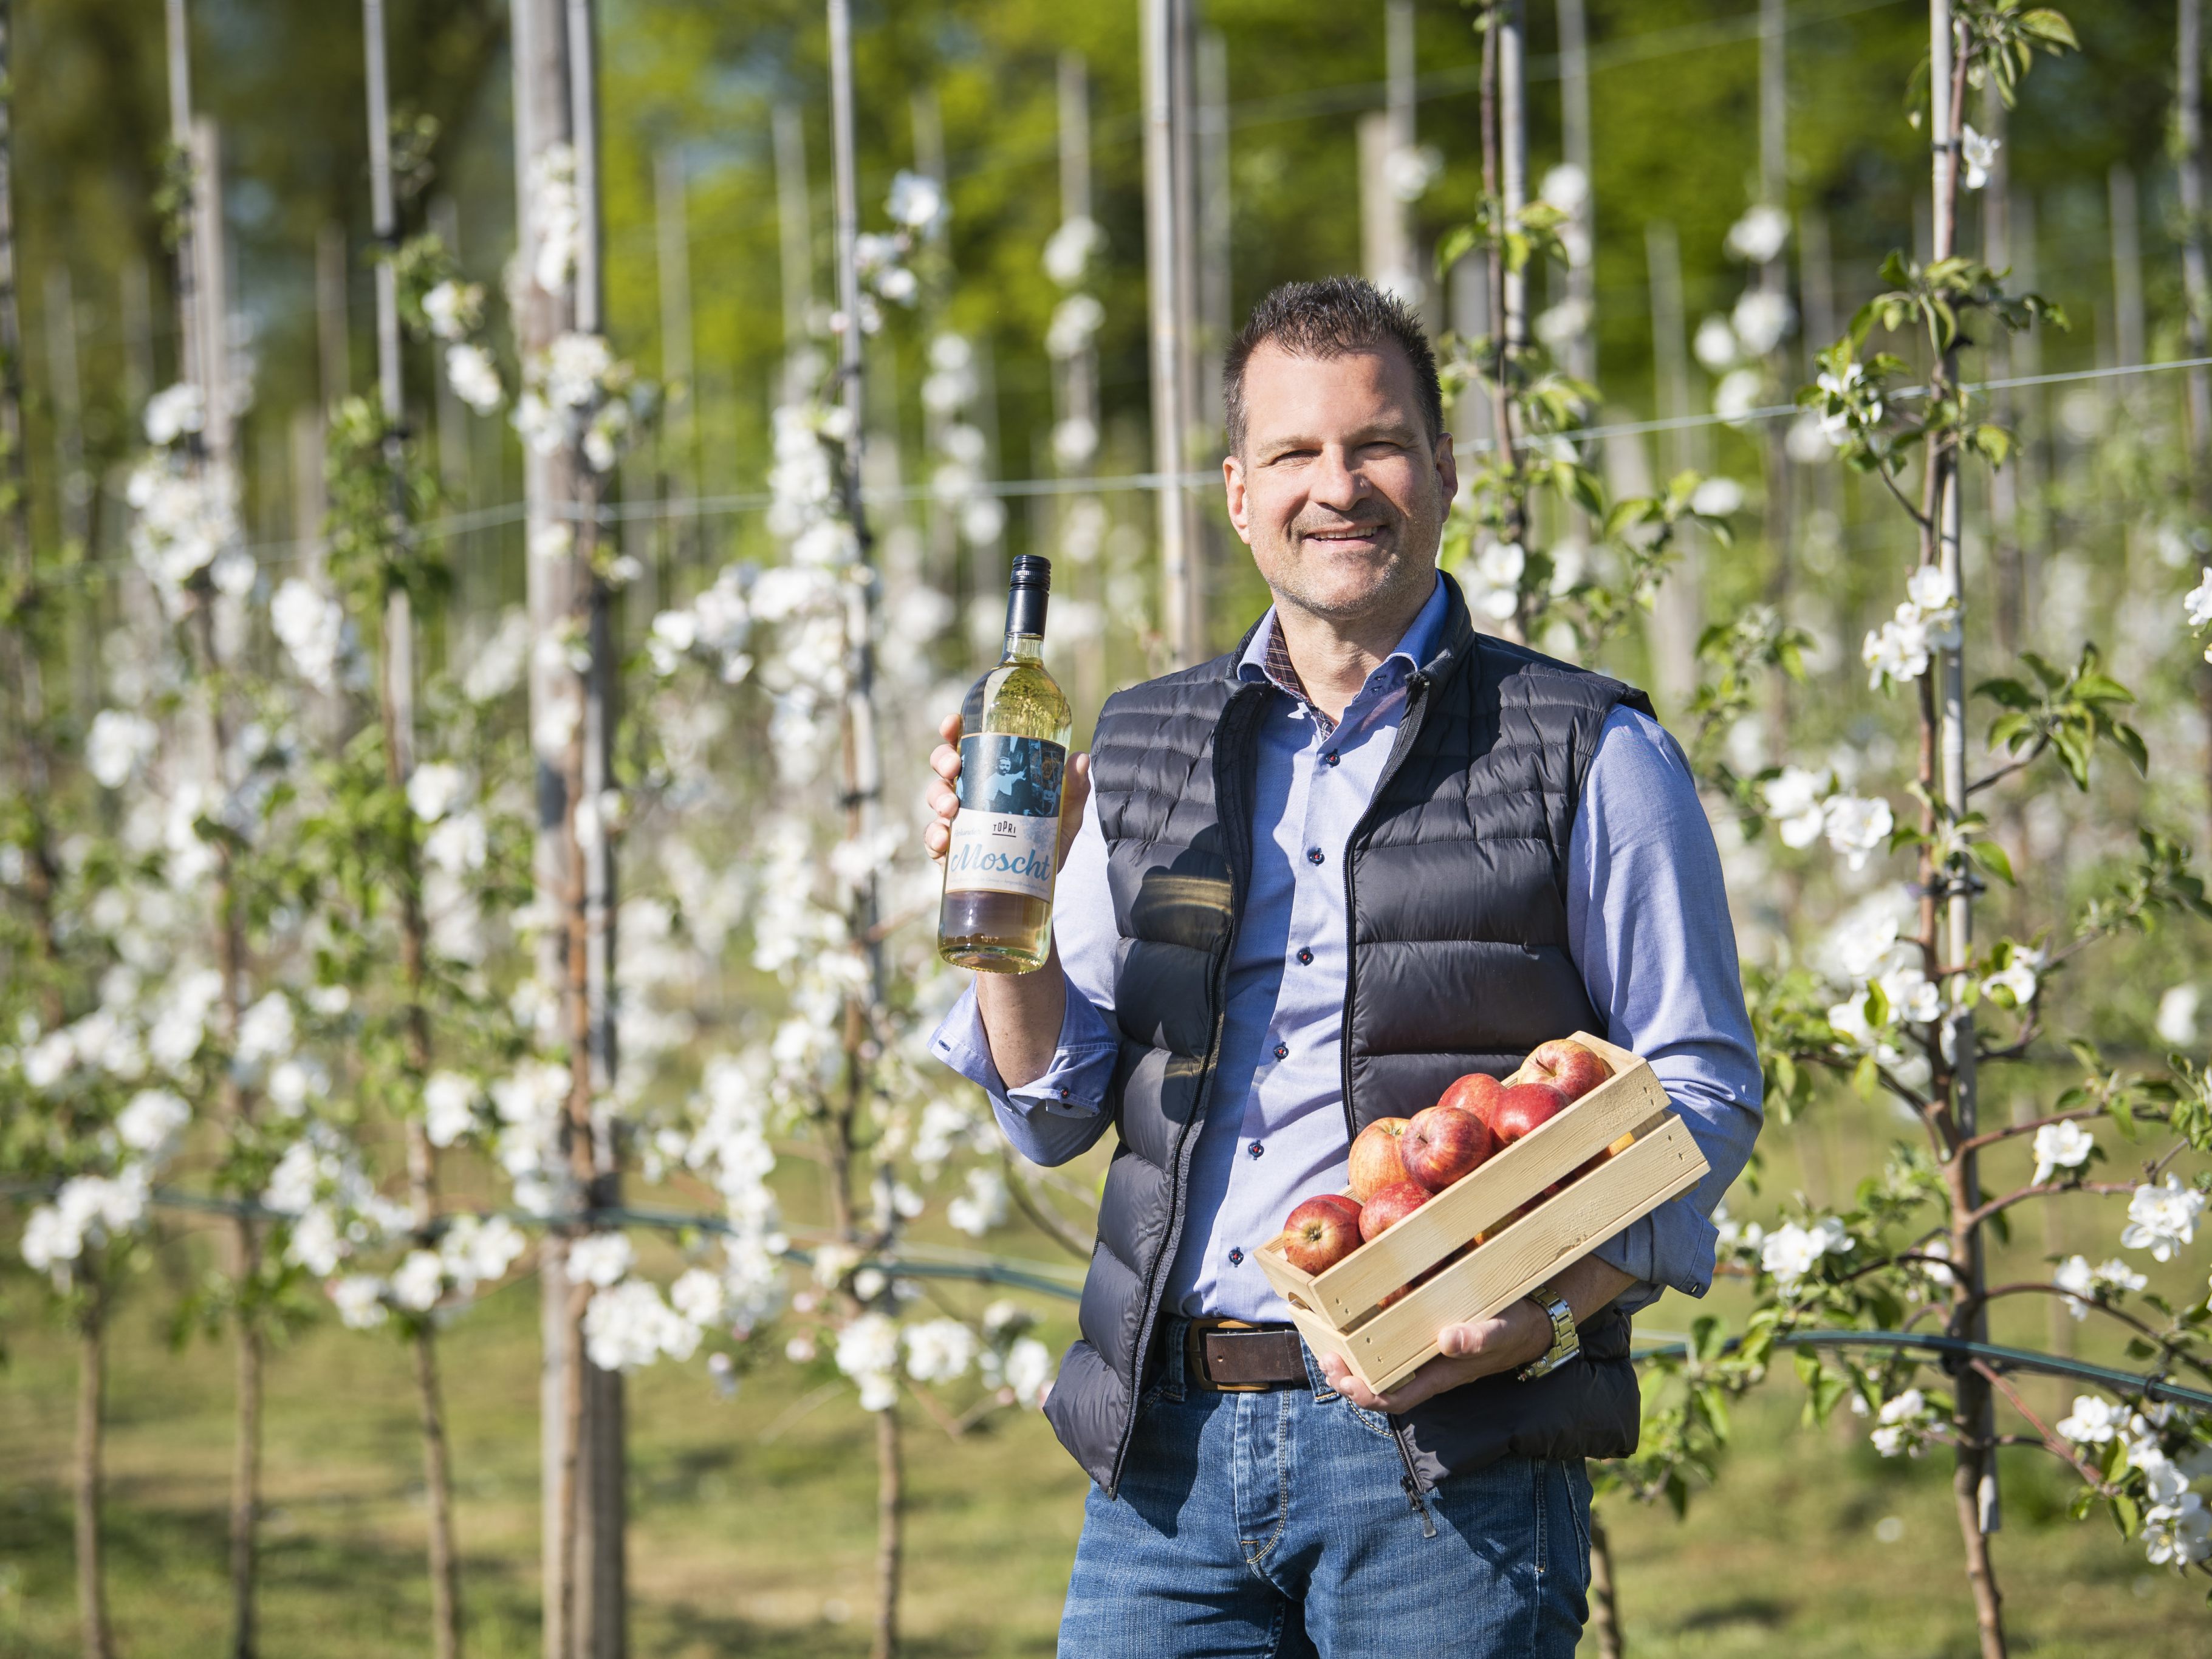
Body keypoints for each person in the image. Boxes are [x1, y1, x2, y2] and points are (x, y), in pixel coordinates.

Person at [923, 276, 1761, 1657]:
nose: (1342, 488)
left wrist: (1548, 1312)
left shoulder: (1587, 747)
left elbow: (1703, 1093)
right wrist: (999, 911)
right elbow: (1053, 1105)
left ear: (1444, 470)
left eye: (1376, 445)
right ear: (1240, 492)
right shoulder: (1137, 751)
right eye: (1299, 455)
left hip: (1448, 1471)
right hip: (1168, 1456)